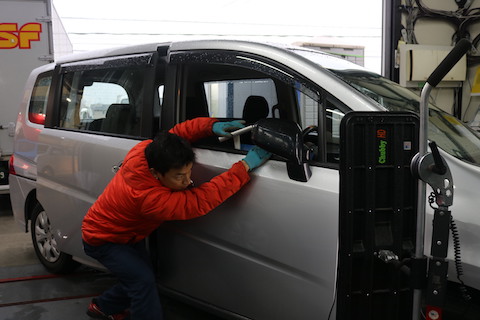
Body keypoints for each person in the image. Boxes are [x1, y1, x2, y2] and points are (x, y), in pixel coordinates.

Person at [81, 117, 271, 320]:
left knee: (141, 277)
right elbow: (200, 200)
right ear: (155, 173)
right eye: (179, 176)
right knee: (142, 280)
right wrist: (243, 167)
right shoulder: (149, 198)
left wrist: (210, 126)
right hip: (103, 240)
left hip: (126, 235)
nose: (188, 180)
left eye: (189, 172)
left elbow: (178, 133)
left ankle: (102, 307)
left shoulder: (147, 151)